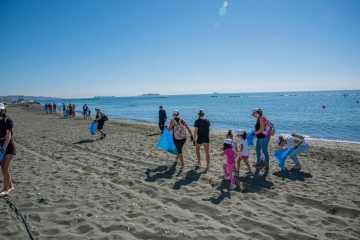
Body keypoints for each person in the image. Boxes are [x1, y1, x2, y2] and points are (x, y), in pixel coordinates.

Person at [0, 103, 16, 196]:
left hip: (9, 146)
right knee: (4, 168)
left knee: (5, 167)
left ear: (4, 110)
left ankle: (5, 190)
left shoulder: (8, 120)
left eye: (1, 110)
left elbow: (8, 136)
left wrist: (3, 148)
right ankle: (11, 186)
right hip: (1, 145)